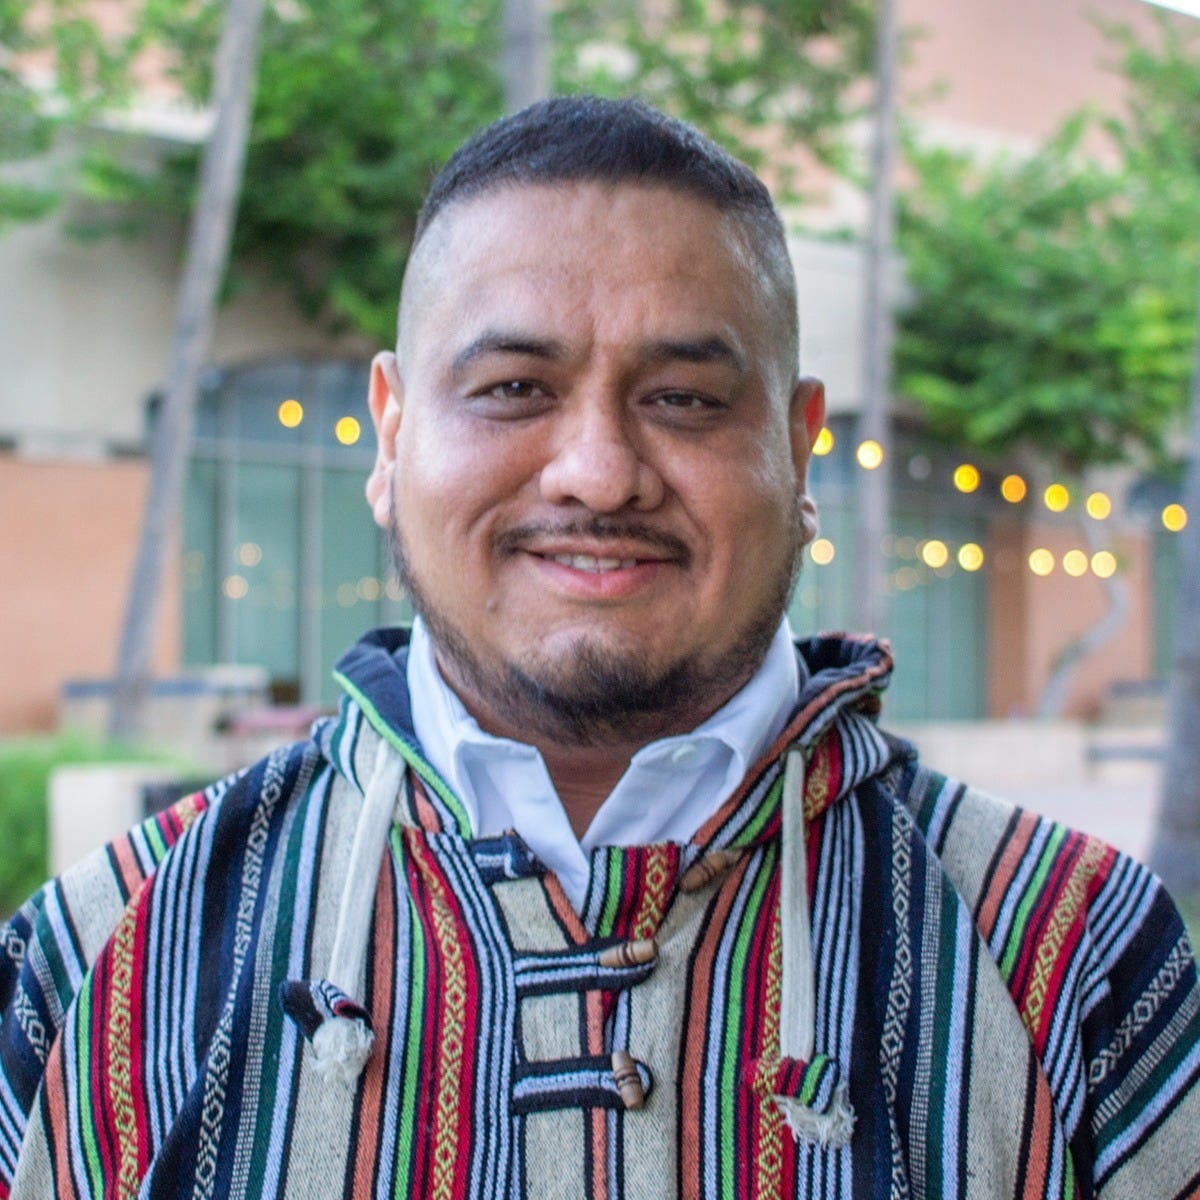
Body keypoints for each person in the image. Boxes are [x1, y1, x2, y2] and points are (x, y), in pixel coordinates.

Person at [2, 95, 1198, 1199]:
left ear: (798, 448)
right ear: (391, 433)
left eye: (684, 399)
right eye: (514, 388)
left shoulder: (1080, 962)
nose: (598, 473)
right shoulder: (94, 963)